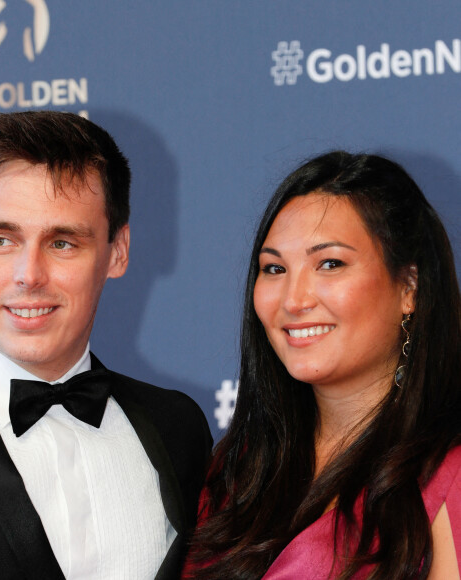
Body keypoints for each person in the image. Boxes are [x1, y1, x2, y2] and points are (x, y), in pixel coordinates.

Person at [0, 111, 212, 580]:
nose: (28, 275)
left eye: (62, 243)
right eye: (1, 239)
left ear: (117, 252)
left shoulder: (178, 429)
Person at [183, 151, 461, 579]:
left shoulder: (450, 472)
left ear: (409, 287)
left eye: (329, 264)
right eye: (274, 268)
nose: (294, 300)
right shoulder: (237, 470)